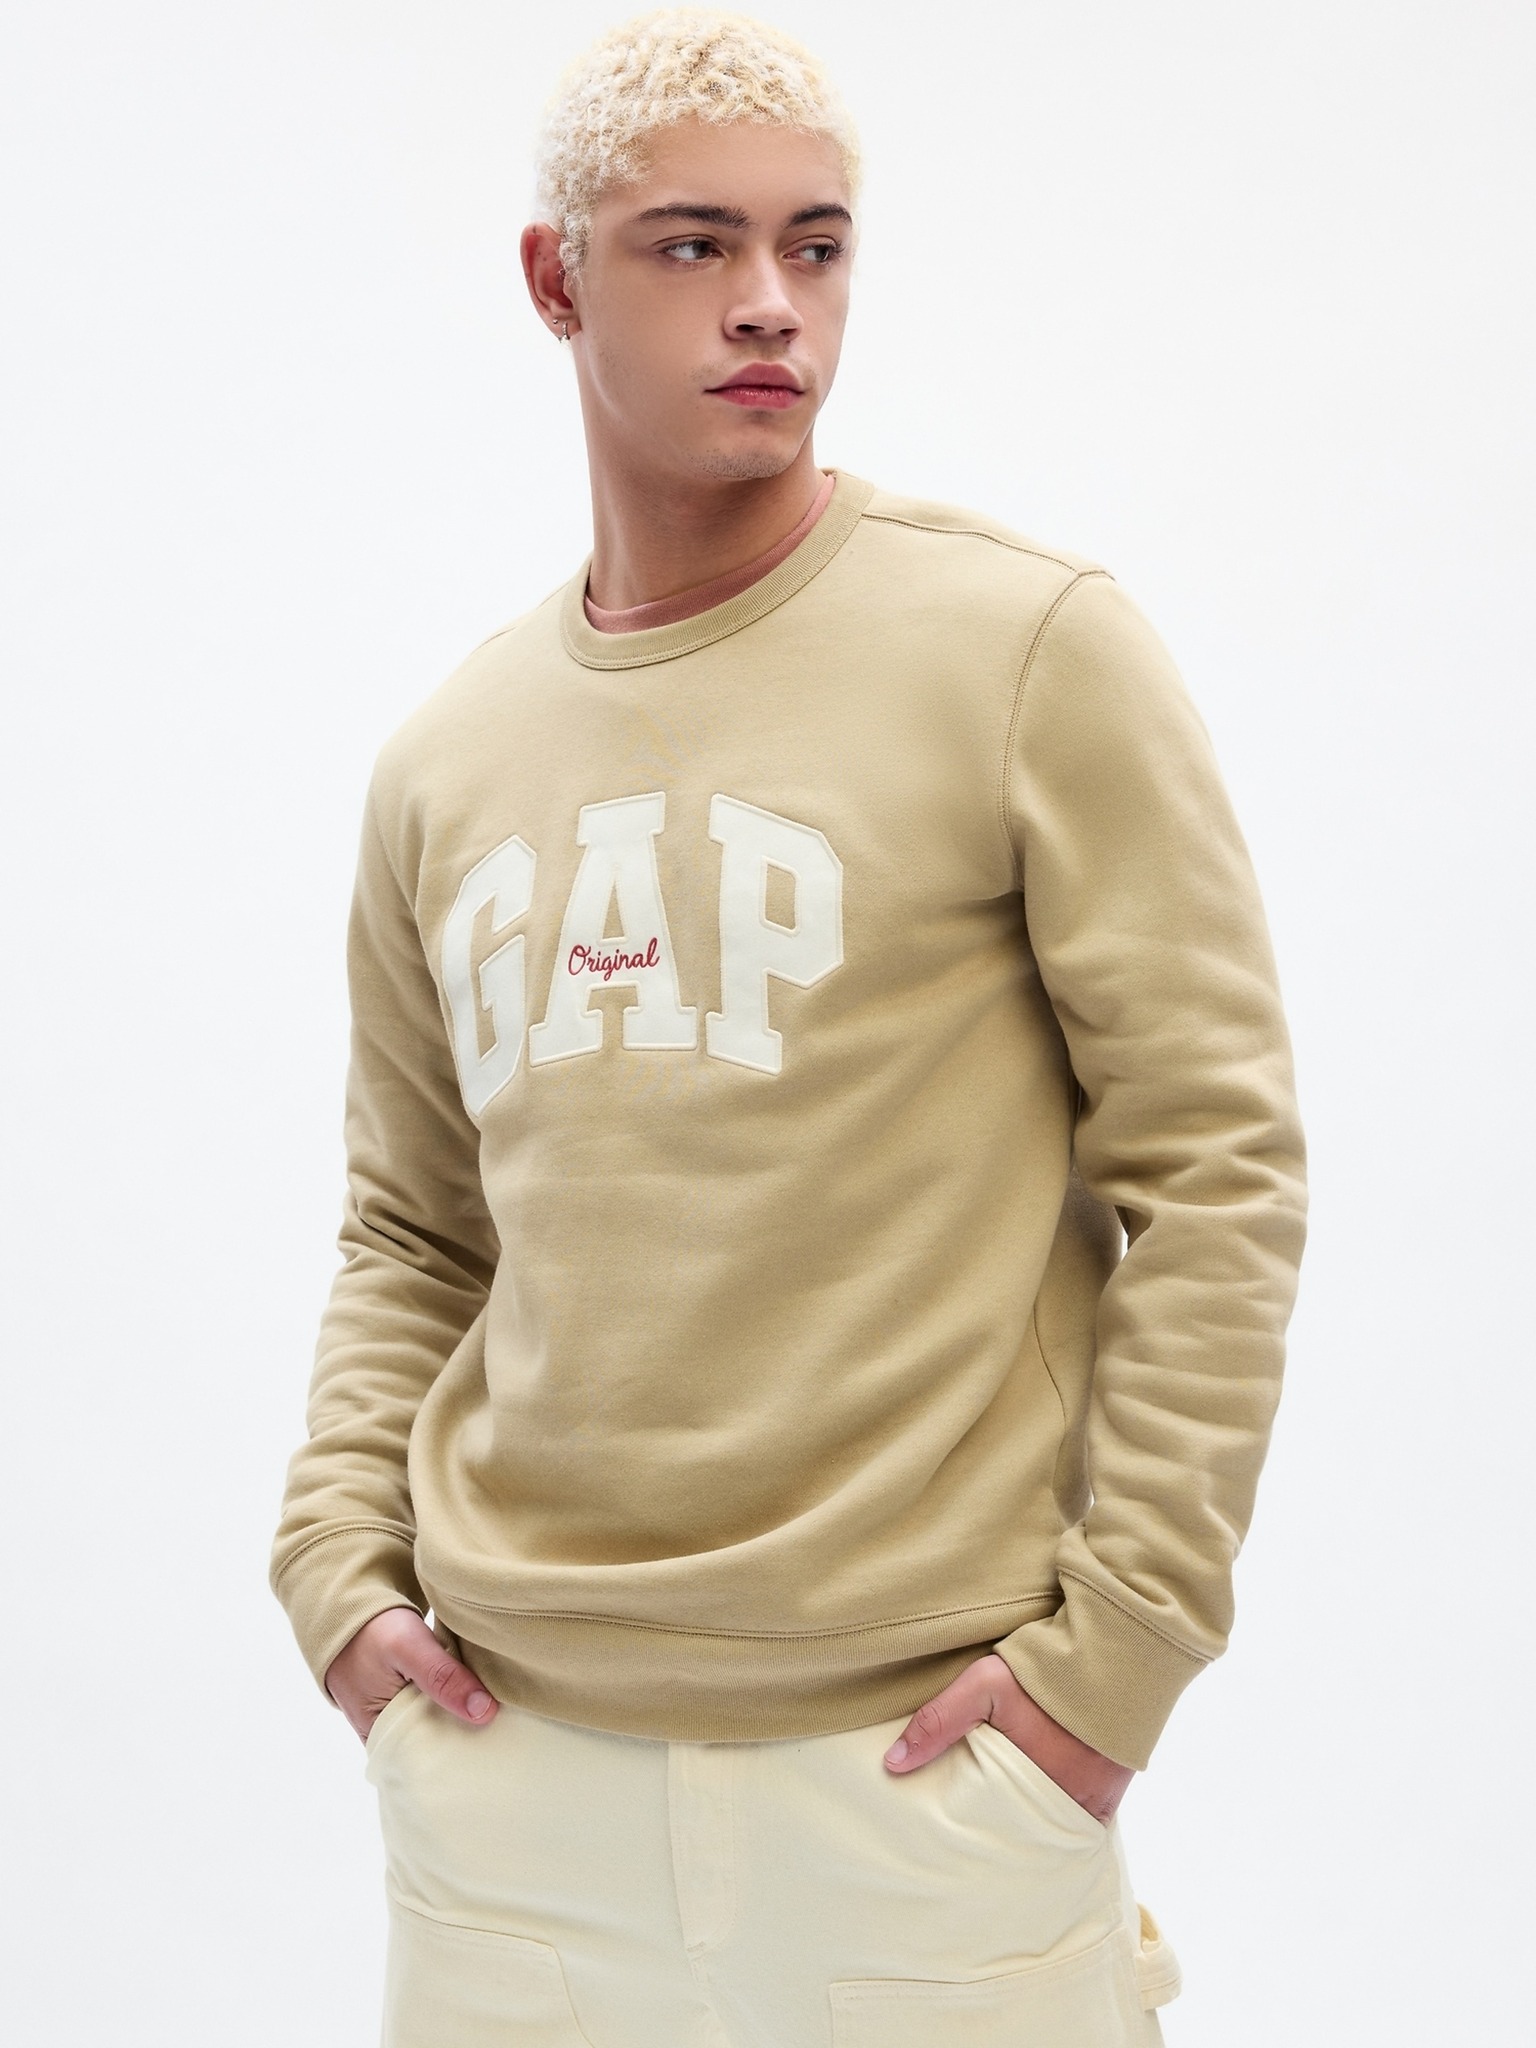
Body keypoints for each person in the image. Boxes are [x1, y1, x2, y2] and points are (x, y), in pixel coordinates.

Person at [268, 10, 1308, 2044]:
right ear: (556, 276)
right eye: (693, 245)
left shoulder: (1026, 650)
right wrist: (336, 1573)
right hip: (506, 1790)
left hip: (923, 1784)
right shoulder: (447, 762)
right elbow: (413, 1229)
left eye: (814, 245)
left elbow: (1218, 1172)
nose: (770, 304)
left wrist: (1115, 1667)